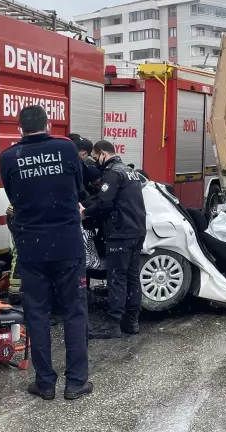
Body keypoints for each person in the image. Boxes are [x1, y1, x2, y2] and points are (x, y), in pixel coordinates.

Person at [0, 105, 92, 400]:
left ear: (20, 129)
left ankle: (45, 383)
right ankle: (76, 382)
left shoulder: (9, 156)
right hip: (67, 246)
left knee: (37, 315)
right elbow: (78, 189)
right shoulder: (66, 150)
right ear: (48, 125)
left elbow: (14, 197)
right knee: (74, 314)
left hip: (31, 249)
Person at [82, 141, 147, 339]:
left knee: (117, 278)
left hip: (120, 233)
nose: (94, 161)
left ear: (103, 154)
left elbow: (105, 203)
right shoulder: (130, 172)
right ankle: (132, 322)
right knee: (132, 277)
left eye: (95, 157)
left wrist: (85, 214)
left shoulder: (113, 173)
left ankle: (113, 326)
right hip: (136, 231)